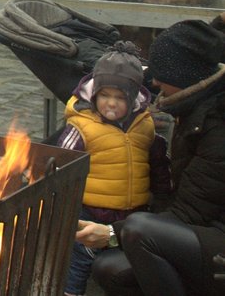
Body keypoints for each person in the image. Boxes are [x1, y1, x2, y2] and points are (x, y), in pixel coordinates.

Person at [78, 19, 225, 296]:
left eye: (162, 74)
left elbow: (191, 212)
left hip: (217, 245)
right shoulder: (198, 103)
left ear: (184, 75)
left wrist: (112, 233)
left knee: (138, 231)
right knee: (110, 269)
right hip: (204, 231)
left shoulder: (217, 125)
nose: (155, 82)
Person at [58, 41, 171, 296]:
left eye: (120, 97)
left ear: (132, 99)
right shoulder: (82, 128)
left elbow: (158, 163)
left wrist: (163, 194)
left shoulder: (145, 125)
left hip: (135, 211)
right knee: (80, 260)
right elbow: (61, 165)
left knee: (128, 264)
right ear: (94, 94)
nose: (111, 103)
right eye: (105, 95)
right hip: (91, 208)